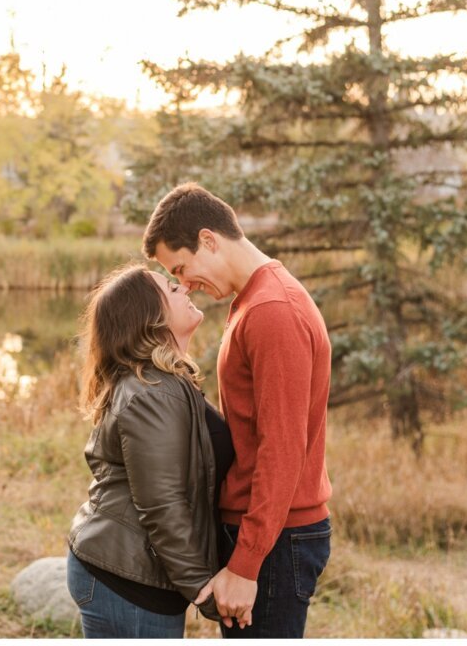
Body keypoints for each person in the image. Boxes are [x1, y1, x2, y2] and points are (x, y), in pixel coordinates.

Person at [142, 182, 333, 639]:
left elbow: (282, 449)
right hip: (269, 534)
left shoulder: (272, 311)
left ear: (209, 239)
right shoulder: (254, 300)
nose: (184, 285)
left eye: (182, 268)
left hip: (274, 540)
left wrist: (246, 564)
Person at [67, 263, 235, 639]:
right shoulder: (152, 392)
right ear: (151, 317)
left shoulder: (163, 382)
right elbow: (162, 502)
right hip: (127, 580)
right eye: (172, 290)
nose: (185, 289)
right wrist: (202, 588)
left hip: (134, 572)